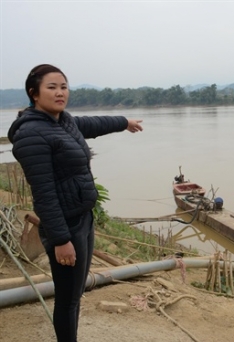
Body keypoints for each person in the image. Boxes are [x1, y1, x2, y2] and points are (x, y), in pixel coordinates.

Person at [7, 64, 143, 342]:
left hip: (83, 217)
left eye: (64, 87)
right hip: (65, 225)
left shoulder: (62, 121)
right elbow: (43, 193)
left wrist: (123, 122)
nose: (60, 93)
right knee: (67, 299)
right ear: (34, 93)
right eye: (52, 87)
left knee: (76, 291)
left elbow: (92, 124)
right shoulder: (32, 133)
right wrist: (60, 240)